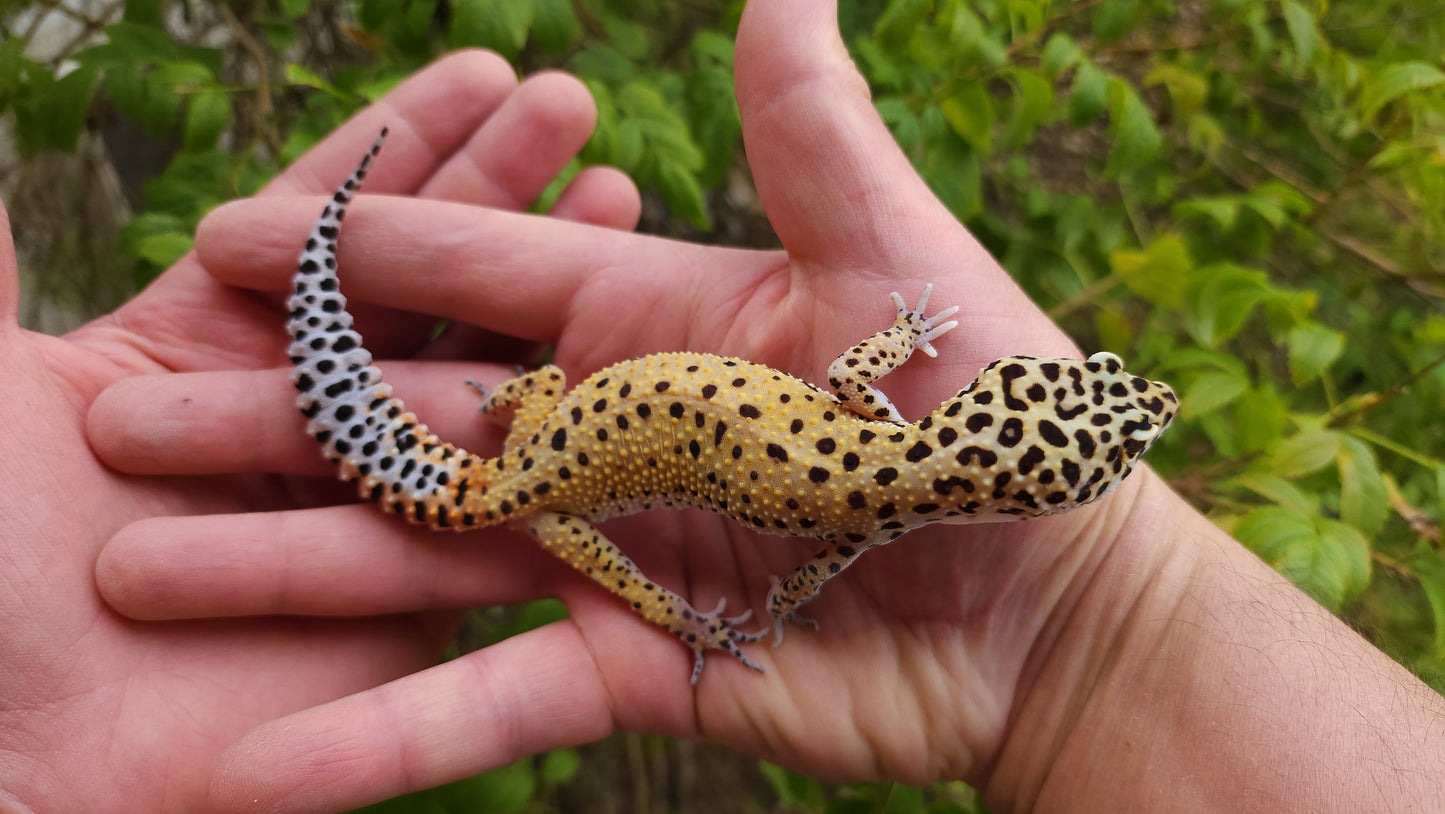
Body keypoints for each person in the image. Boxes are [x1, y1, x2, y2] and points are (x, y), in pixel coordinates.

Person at [2, 0, 1440, 810]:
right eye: (1100, 400)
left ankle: (408, 338)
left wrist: (676, 587)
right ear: (1009, 447)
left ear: (1009, 416)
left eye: (1093, 408)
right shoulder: (869, 509)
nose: (1128, 401)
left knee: (431, 400)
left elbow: (857, 398)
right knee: (387, 364)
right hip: (542, 452)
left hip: (545, 441)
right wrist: (712, 618)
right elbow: (814, 561)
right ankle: (371, 308)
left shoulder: (874, 417)